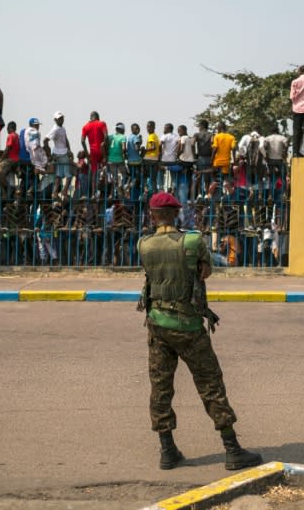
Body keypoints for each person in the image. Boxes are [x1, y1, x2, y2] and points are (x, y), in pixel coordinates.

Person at [136, 191, 262, 471]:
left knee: (160, 387)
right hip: (189, 326)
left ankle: (167, 451)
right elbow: (205, 272)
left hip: (157, 325)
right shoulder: (193, 240)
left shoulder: (142, 244)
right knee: (210, 384)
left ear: (152, 215)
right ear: (177, 212)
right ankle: (232, 449)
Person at [45, 111, 73, 203]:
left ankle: (55, 193)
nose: (61, 120)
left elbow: (66, 140)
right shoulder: (55, 129)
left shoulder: (62, 128)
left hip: (62, 152)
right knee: (69, 174)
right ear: (55, 120)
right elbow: (46, 140)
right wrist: (49, 153)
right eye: (59, 118)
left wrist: (69, 150)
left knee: (59, 175)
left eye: (62, 118)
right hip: (60, 153)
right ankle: (64, 191)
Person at [105, 122, 129, 199]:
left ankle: (112, 194)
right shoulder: (123, 137)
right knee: (126, 174)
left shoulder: (110, 137)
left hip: (110, 160)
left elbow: (104, 145)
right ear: (122, 130)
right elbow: (124, 148)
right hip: (119, 160)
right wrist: (125, 155)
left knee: (114, 178)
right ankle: (120, 186)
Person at [81, 111, 108, 178]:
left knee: (94, 173)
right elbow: (106, 136)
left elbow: (82, 141)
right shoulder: (102, 124)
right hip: (102, 151)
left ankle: (93, 188)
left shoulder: (85, 127)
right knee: (105, 170)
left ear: (90, 118)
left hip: (93, 152)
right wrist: (104, 144)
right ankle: (104, 187)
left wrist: (87, 155)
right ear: (98, 117)